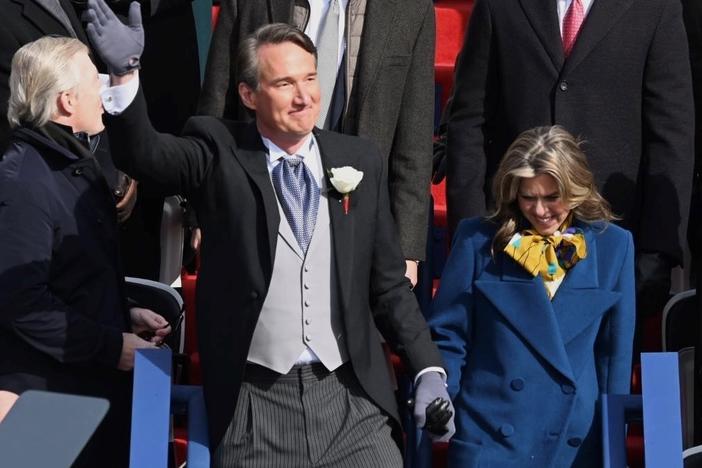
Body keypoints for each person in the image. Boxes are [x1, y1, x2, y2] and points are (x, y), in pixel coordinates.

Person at [83, 1, 455, 465]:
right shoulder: (218, 151)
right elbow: (147, 155)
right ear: (248, 94)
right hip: (255, 404)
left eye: (309, 79)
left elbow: (388, 286)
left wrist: (427, 367)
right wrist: (124, 79)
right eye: (284, 84)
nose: (304, 98)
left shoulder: (358, 160)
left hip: (350, 404)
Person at [445, 0, 694, 322]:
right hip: (511, 239)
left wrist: (658, 252)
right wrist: (471, 233)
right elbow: (469, 121)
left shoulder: (655, 7)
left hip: (609, 243)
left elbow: (670, 133)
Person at [0, 36, 171, 466]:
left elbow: (72, 274)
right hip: (47, 403)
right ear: (66, 101)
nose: (103, 88)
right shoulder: (22, 181)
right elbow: (23, 302)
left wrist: (123, 312)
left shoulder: (67, 165)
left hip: (85, 392)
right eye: (93, 78)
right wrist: (114, 346)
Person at [430, 126, 635, 467]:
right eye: (528, 197)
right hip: (491, 438)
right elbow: (450, 335)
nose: (540, 211)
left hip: (574, 442)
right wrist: (442, 397)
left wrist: (613, 446)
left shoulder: (614, 246)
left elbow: (614, 357)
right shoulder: (478, 242)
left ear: (576, 189)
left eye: (552, 197)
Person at [198, 0, 436, 287]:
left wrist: (406, 249)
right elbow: (217, 104)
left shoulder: (410, 7)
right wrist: (204, 210)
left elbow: (414, 136)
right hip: (258, 210)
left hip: (355, 220)